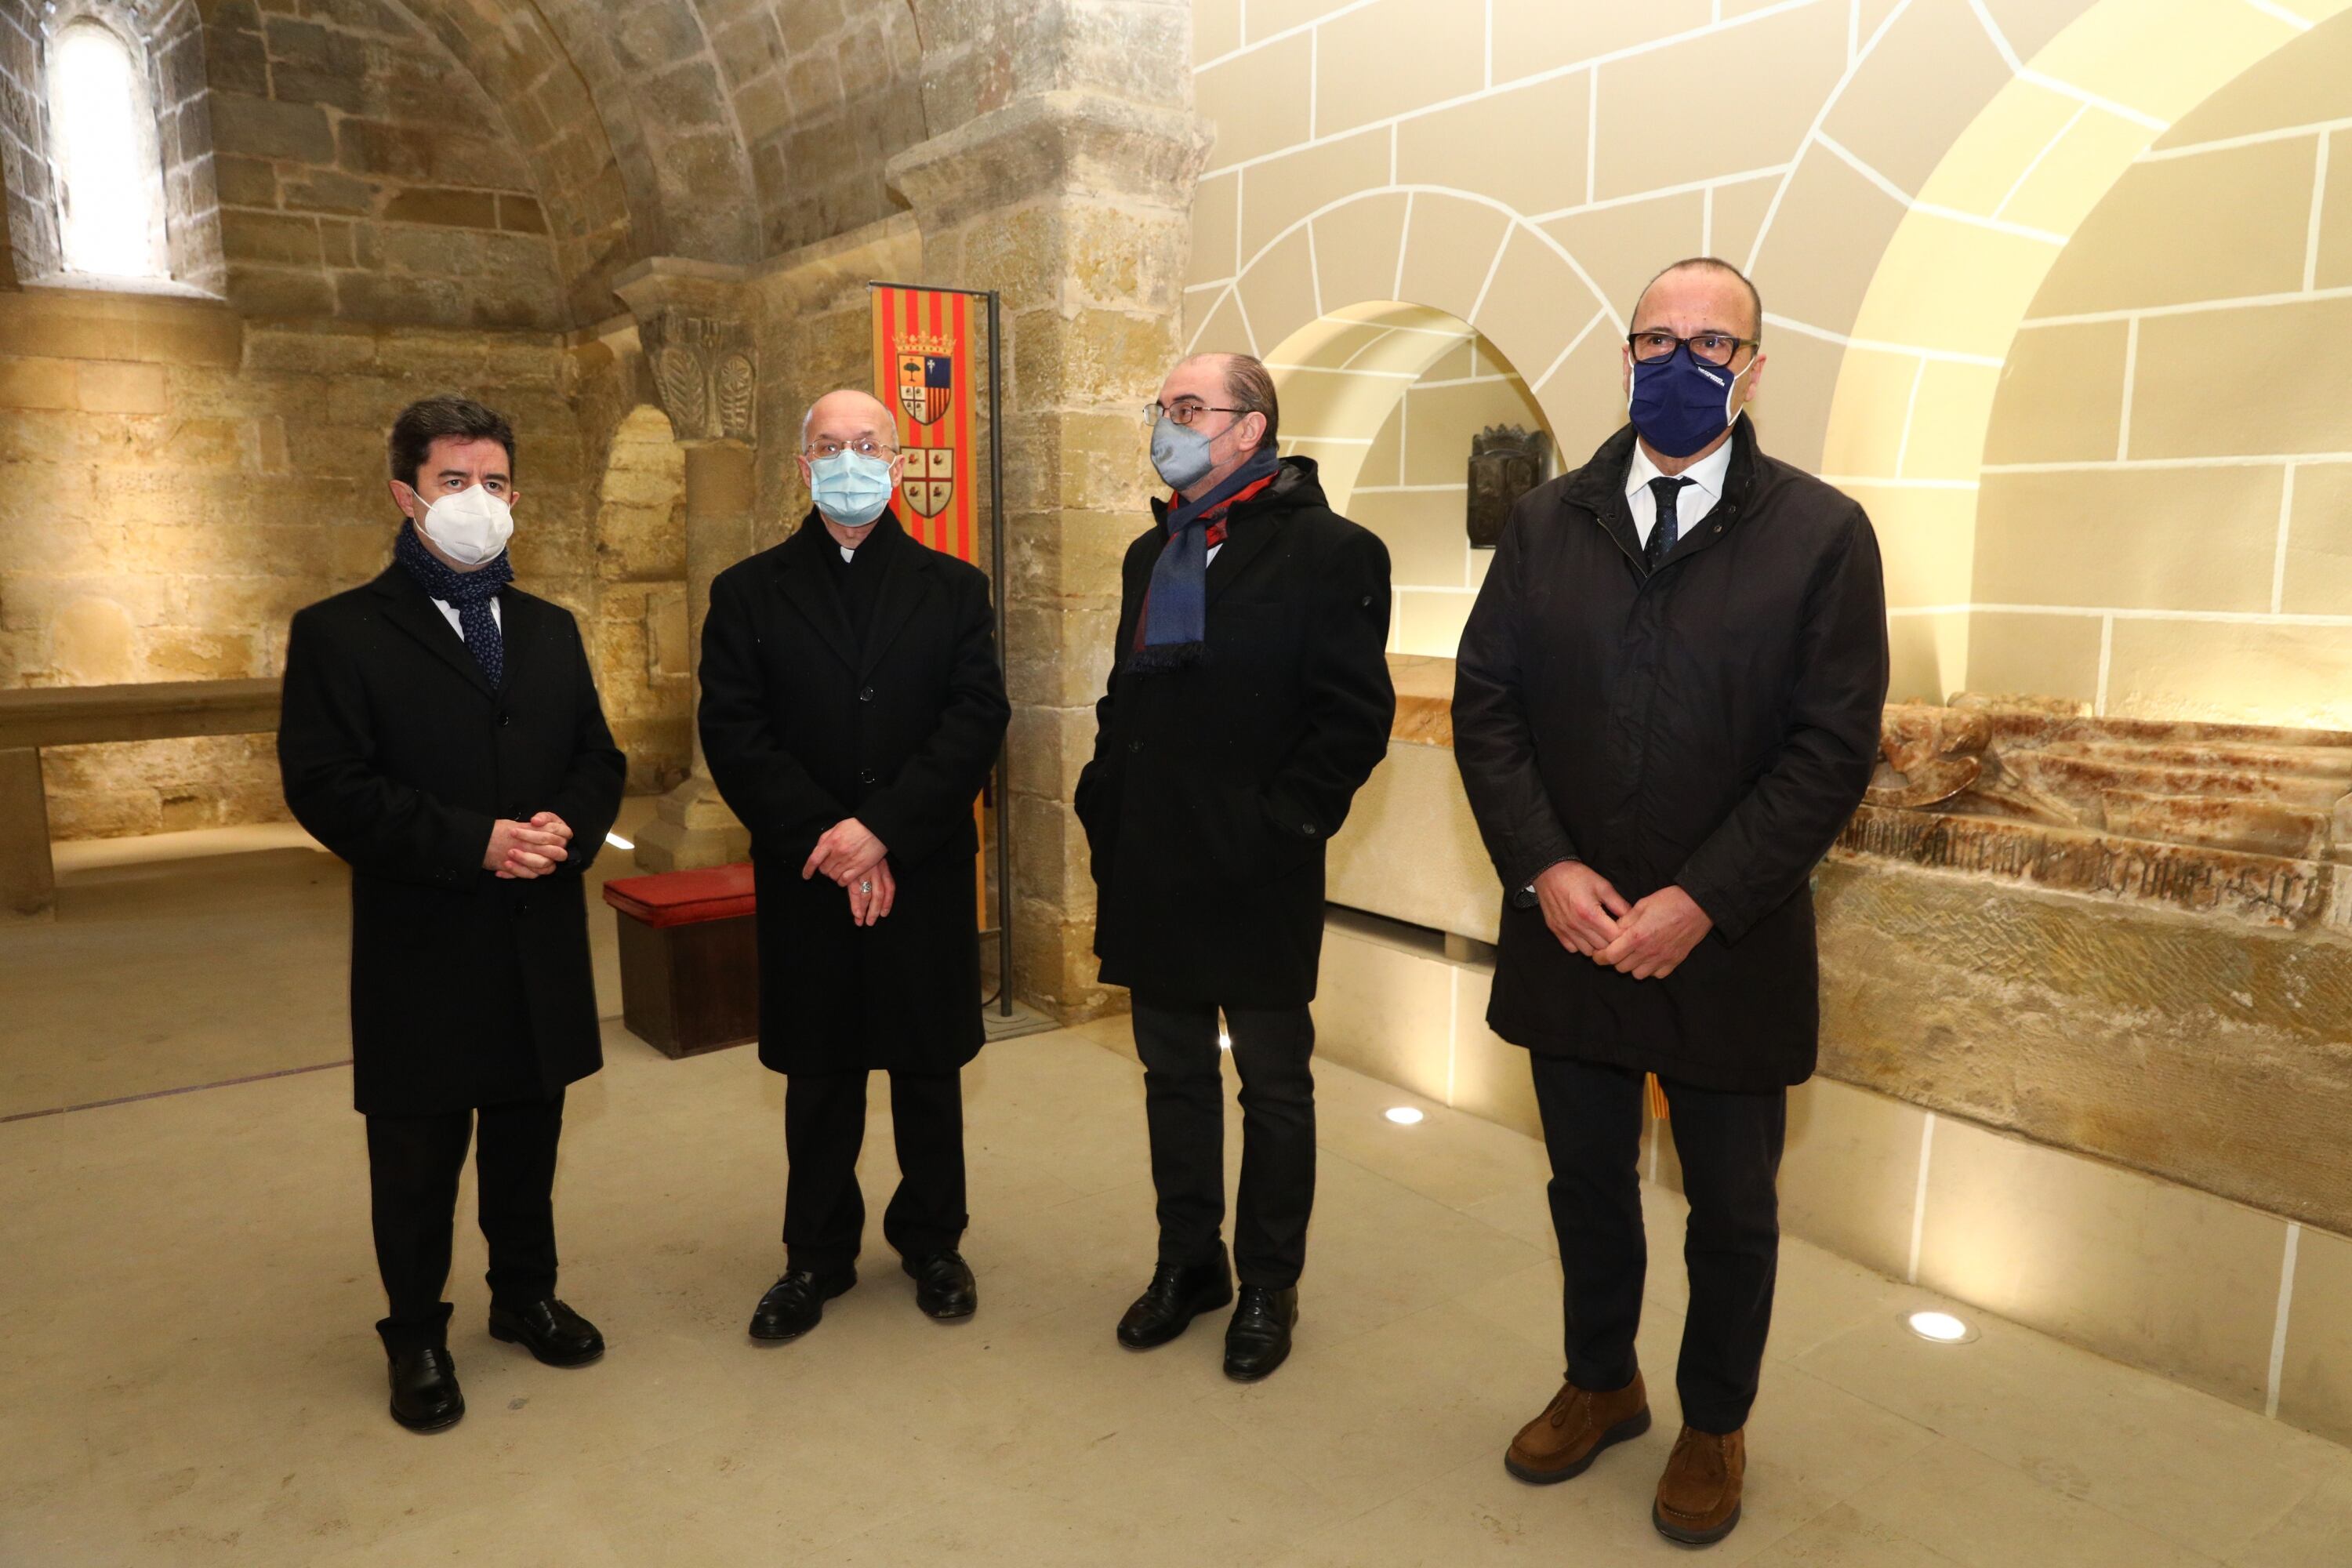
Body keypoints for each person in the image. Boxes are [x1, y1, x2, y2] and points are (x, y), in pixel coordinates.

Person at [1452, 257, 1889, 1546]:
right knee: (1585, 1185)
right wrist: (1546, 866)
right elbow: (1488, 709)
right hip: (1574, 933)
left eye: (1713, 343)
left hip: (1727, 944)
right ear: (1627, 354)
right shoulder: (1548, 524)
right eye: (1657, 339)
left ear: (1753, 369)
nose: (1682, 361)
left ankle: (1713, 1421)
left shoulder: (1821, 534)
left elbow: (1831, 748)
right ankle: (1602, 1381)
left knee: (1733, 1211)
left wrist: (1702, 897)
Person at [278, 394, 626, 1434]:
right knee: (418, 1154)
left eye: (496, 481)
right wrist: (474, 839)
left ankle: (524, 1295)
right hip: (423, 936)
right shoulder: (340, 632)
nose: (480, 498)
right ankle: (416, 1335)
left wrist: (568, 821)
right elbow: (328, 785)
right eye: (455, 480)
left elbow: (596, 755)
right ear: (407, 494)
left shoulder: (550, 629)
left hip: (534, 932)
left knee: (528, 1133)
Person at [1076, 352, 1395, 1382]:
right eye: (1161, 407)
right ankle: (1189, 1261)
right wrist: (1102, 795)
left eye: (1186, 408)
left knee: (1273, 1085)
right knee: (1172, 1075)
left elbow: (1353, 719)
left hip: (1257, 868)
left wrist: (1279, 826)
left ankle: (1267, 1282)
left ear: (1249, 428)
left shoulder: (1333, 551)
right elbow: (1127, 696)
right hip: (1152, 860)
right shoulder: (1153, 551)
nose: (1165, 425)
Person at [699, 389, 1010, 1344]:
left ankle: (934, 1240)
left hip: (920, 860)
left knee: (926, 1064)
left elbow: (975, 719)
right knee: (820, 1068)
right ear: (804, 466)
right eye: (829, 445)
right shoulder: (747, 591)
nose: (848, 459)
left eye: (867, 444)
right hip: (809, 868)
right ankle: (816, 1251)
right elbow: (735, 731)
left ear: (898, 462)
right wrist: (830, 839)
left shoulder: (953, 587)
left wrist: (882, 830)